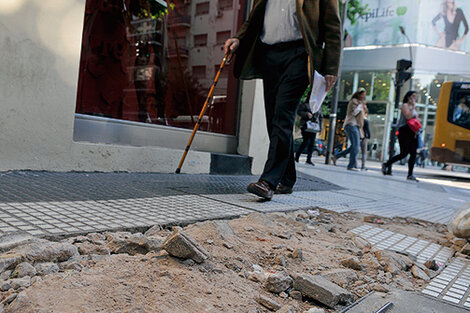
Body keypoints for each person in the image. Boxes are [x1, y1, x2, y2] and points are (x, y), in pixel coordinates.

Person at [224, 0, 341, 200]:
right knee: (272, 118)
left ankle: (268, 181)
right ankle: (286, 178)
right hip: (268, 54)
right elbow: (254, 18)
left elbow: (332, 26)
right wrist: (239, 38)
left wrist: (331, 67)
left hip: (300, 54)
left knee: (282, 114)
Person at [382, 91, 420, 181]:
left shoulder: (413, 108)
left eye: (415, 96)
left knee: (413, 153)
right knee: (404, 152)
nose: (414, 98)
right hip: (404, 130)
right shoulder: (405, 106)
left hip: (413, 132)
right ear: (408, 97)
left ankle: (410, 174)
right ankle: (386, 164)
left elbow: (415, 120)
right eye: (413, 96)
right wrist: (413, 107)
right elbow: (407, 117)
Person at [332, 88, 367, 171]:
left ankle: (336, 156)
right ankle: (351, 165)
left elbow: (362, 114)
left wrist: (363, 108)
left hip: (355, 126)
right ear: (358, 94)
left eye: (364, 95)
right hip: (351, 125)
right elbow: (354, 112)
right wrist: (360, 106)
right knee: (356, 146)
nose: (363, 96)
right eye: (362, 95)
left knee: (354, 146)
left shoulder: (359, 103)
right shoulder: (354, 101)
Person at [295, 101, 322, 166]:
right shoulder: (305, 104)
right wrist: (307, 114)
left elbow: (320, 117)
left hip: (314, 126)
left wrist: (320, 128)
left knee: (312, 143)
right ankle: (297, 157)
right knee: (305, 142)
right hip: (305, 125)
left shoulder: (318, 105)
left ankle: (309, 159)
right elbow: (299, 111)